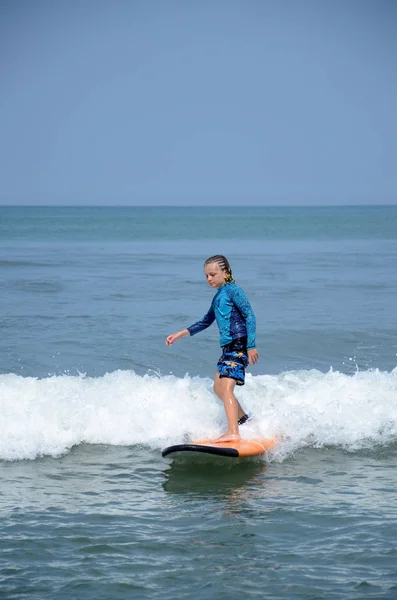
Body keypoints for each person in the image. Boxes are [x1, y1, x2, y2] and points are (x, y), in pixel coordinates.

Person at [165, 255, 258, 442]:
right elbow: (205, 321)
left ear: (226, 272)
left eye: (213, 274)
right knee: (218, 388)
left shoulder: (233, 291)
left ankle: (234, 432)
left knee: (226, 388)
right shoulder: (218, 297)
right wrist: (180, 334)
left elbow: (249, 315)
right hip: (227, 348)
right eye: (206, 275)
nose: (209, 279)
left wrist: (251, 346)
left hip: (239, 344)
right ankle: (245, 422)